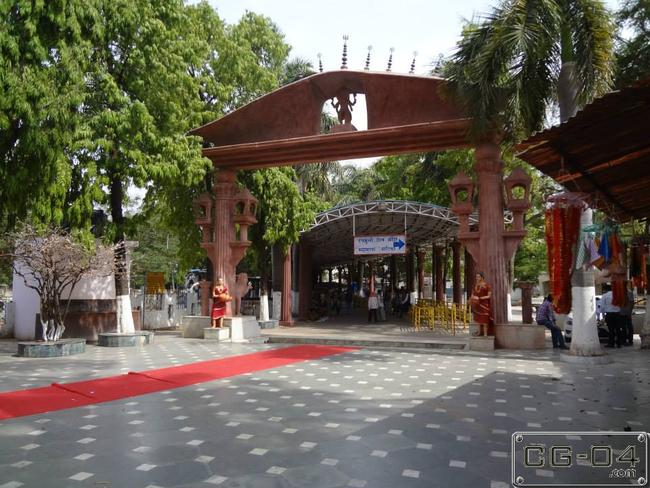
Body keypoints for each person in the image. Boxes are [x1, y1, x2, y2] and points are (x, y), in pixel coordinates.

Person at [470, 271, 493, 336]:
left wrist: (480, 298)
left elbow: (489, 296)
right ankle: (479, 332)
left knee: (485, 320)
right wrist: (472, 299)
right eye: (476, 277)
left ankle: (485, 334)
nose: (477, 278)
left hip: (484, 305)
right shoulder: (475, 285)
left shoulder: (487, 285)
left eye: (478, 277)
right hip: (477, 305)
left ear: (482, 277)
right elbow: (472, 294)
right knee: (478, 320)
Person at [601, 283, 622, 348]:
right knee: (618, 329)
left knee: (611, 330)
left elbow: (602, 307)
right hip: (617, 314)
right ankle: (619, 343)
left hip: (609, 315)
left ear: (605, 290)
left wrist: (603, 315)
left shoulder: (605, 296)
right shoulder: (617, 295)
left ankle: (611, 343)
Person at [619, 282, 634, 346]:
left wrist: (630, 311)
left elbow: (632, 302)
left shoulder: (629, 292)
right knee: (623, 327)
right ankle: (624, 340)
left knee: (629, 326)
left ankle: (630, 340)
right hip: (621, 312)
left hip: (627, 312)